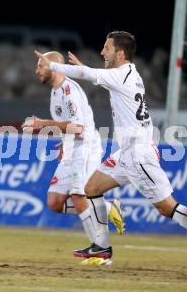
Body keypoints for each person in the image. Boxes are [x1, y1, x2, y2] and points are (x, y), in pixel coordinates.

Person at [35, 31, 187, 272]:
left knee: (167, 207)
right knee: (91, 189)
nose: (102, 52)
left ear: (120, 53)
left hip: (138, 155)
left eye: (106, 48)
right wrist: (86, 69)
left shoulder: (121, 75)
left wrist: (53, 64)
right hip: (125, 153)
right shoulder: (129, 74)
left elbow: (89, 74)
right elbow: (94, 74)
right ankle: (101, 246)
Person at [24, 51, 125, 265]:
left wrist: (43, 124)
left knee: (80, 196)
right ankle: (108, 209)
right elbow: (69, 126)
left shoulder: (69, 91)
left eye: (40, 65)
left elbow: (79, 127)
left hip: (86, 148)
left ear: (54, 67)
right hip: (72, 148)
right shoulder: (55, 91)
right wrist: (64, 141)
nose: (37, 70)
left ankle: (99, 250)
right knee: (54, 201)